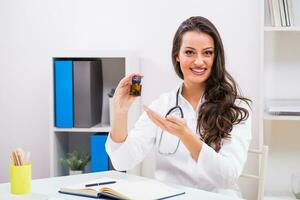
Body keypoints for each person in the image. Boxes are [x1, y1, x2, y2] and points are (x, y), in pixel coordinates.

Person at [105, 16, 251, 197]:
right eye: (189, 52)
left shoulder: (235, 108)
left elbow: (227, 177)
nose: (199, 61)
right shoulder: (162, 105)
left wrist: (185, 135)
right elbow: (122, 162)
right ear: (177, 56)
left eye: (207, 53)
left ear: (216, 57)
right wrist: (120, 112)